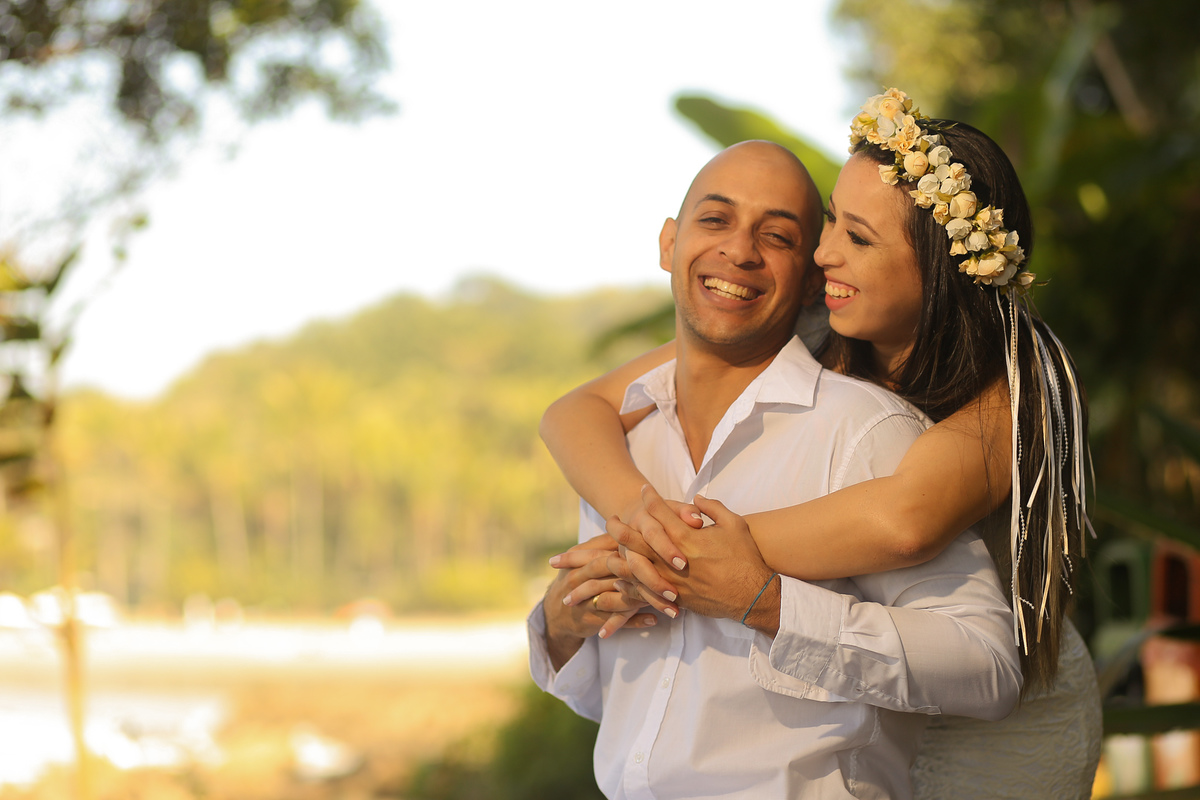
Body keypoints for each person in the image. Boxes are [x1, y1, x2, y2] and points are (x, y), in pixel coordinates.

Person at [541, 89, 1102, 798]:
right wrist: (634, 511)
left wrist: (660, 554)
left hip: (1002, 720)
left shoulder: (1015, 392)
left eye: (859, 238)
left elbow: (902, 523)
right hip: (871, 704)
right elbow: (575, 410)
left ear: (940, 271)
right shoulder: (810, 334)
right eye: (831, 219)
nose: (823, 250)